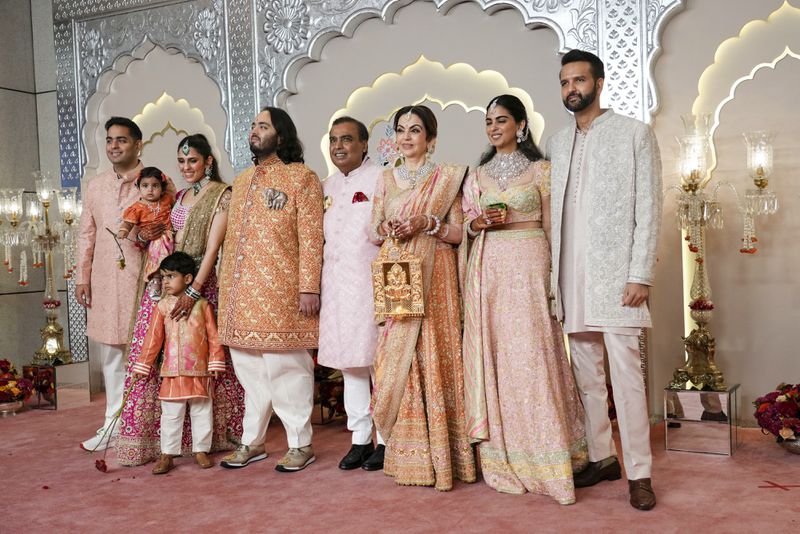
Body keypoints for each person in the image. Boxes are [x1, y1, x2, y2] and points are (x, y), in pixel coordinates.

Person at [547, 50, 663, 511]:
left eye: (578, 80)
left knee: (627, 380)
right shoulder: (556, 143)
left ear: (598, 82)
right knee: (586, 376)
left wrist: (641, 274)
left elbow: (649, 209)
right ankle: (602, 456)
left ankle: (640, 472)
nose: (571, 88)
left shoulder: (634, 134)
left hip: (618, 279)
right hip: (570, 277)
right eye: (564, 82)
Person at [460, 95, 588, 505]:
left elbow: (553, 224)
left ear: (520, 125)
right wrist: (477, 223)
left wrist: (556, 277)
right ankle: (503, 452)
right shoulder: (477, 174)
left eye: (501, 120)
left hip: (530, 263)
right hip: (490, 267)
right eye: (488, 122)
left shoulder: (541, 170)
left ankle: (549, 452)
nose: (494, 127)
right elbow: (466, 223)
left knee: (533, 353)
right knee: (499, 355)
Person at [115, 134, 244, 466]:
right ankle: (161, 443)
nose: (187, 167)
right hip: (169, 284)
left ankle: (204, 440)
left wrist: (193, 289)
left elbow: (214, 248)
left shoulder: (221, 195)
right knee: (158, 355)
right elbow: (162, 234)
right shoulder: (180, 195)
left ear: (208, 162)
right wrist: (145, 237)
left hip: (201, 285)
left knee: (202, 360)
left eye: (193, 160)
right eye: (182, 161)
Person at [370, 105, 476, 491]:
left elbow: (458, 233)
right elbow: (374, 229)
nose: (407, 137)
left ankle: (448, 456)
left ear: (430, 138)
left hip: (437, 274)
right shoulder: (385, 178)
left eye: (416, 130)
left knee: (435, 352)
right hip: (398, 272)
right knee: (403, 358)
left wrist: (426, 223)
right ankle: (409, 456)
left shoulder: (447, 177)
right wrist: (387, 226)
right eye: (401, 130)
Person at [217, 107, 323, 473]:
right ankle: (253, 441)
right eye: (252, 126)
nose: (255, 131)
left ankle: (299, 443)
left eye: (264, 126)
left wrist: (309, 286)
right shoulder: (243, 181)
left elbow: (311, 236)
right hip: (240, 294)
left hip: (281, 291)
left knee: (287, 369)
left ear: (282, 134)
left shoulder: (302, 178)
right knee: (250, 373)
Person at [76, 117, 175, 451]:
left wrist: (154, 240)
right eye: (109, 140)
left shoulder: (158, 182)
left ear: (138, 144)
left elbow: (176, 230)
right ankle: (113, 426)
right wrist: (82, 276)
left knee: (153, 355)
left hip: (147, 279)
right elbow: (86, 233)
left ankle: (159, 430)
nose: (113, 146)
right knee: (112, 356)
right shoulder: (96, 186)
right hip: (106, 280)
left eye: (121, 140)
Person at [317, 117, 384, 471]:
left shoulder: (381, 179)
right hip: (336, 285)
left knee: (378, 362)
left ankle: (386, 440)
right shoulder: (325, 186)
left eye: (347, 139)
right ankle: (360, 439)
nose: (339, 146)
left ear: (364, 145)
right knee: (350, 364)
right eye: (333, 140)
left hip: (371, 283)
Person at [131, 252, 226, 474]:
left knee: (202, 411)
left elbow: (214, 336)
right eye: (163, 277)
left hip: (199, 371)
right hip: (172, 372)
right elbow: (153, 339)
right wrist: (143, 365)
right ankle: (167, 453)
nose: (165, 282)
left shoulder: (202, 306)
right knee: (171, 414)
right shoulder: (162, 307)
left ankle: (201, 450)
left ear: (188, 278)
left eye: (171, 276)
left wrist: (215, 363)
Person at [117, 167, 175, 300]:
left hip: (172, 236)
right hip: (154, 239)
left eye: (155, 186)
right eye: (145, 186)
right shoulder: (137, 208)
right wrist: (123, 231)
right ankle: (155, 279)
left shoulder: (167, 199)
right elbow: (128, 223)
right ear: (138, 187)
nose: (150, 189)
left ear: (162, 187)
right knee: (157, 246)